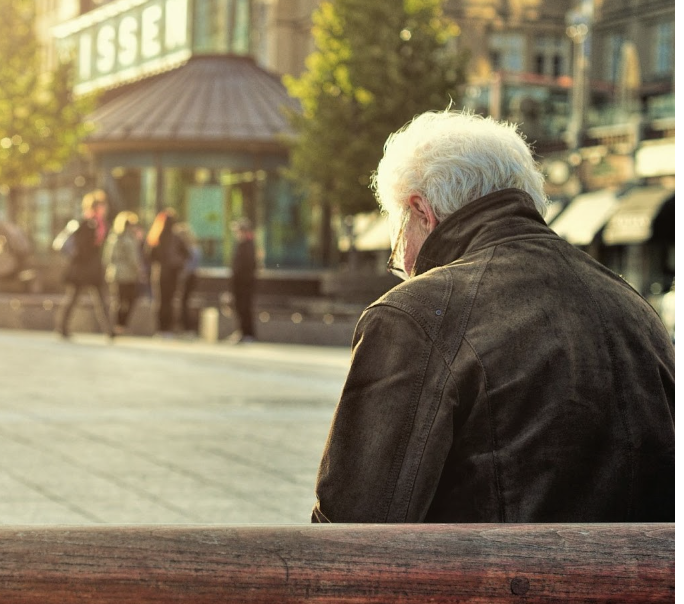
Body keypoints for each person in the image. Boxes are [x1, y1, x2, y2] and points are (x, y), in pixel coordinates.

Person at [312, 110, 675, 524]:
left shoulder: (416, 314)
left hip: (492, 586)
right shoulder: (633, 307)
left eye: (398, 241)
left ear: (421, 212)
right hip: (646, 586)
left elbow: (352, 526)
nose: (405, 264)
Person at [55, 190, 115, 340]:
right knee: (74, 297)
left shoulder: (101, 224)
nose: (105, 208)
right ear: (96, 207)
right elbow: (82, 247)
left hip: (93, 268)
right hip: (82, 269)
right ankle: (61, 327)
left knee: (101, 299)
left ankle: (109, 330)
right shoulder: (86, 223)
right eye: (102, 205)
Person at [146, 208, 188, 337]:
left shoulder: (156, 236)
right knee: (169, 301)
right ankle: (167, 328)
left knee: (161, 300)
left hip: (160, 273)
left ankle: (161, 328)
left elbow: (149, 256)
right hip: (172, 273)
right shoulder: (175, 237)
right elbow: (187, 254)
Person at [103, 210, 144, 334]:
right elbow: (134, 259)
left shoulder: (112, 237)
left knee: (118, 300)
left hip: (114, 273)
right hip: (128, 274)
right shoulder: (128, 239)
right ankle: (121, 325)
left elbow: (106, 258)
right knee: (129, 300)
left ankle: (116, 326)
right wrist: (140, 270)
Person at [230, 218, 257, 343]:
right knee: (240, 307)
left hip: (244, 282)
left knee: (244, 307)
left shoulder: (248, 245)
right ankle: (243, 332)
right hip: (240, 282)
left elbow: (247, 266)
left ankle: (247, 333)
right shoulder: (242, 245)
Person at [175, 222, 202, 334]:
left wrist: (182, 275)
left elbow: (189, 266)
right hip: (191, 277)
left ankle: (187, 327)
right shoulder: (195, 248)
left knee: (184, 302)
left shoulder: (190, 249)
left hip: (188, 277)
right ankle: (185, 326)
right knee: (184, 301)